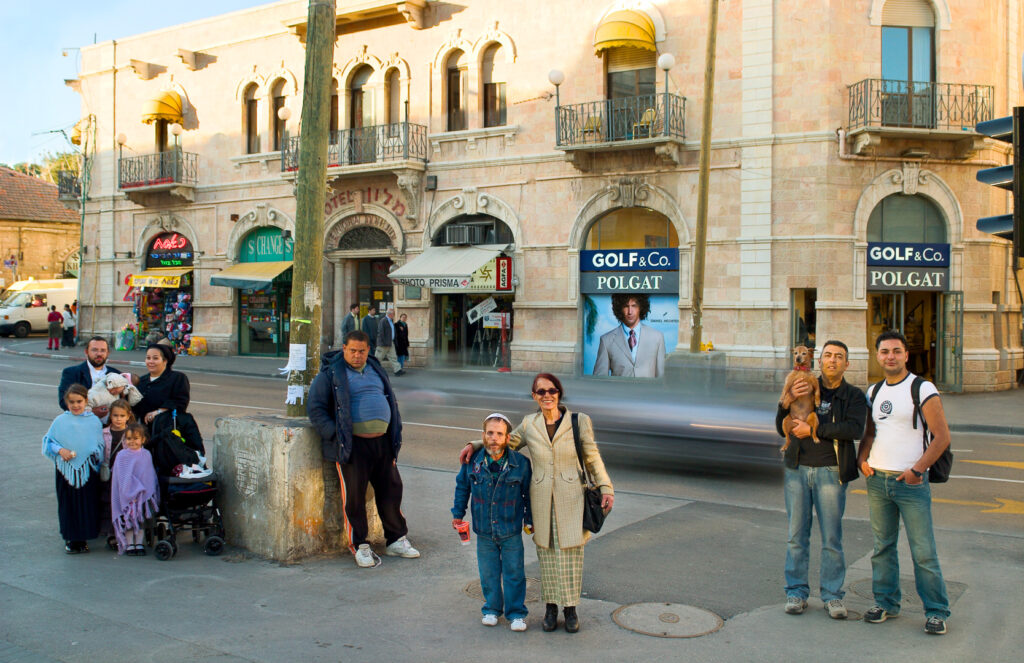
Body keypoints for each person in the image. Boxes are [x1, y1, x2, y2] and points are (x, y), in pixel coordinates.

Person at [459, 373, 614, 634]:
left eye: (551, 390)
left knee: (571, 554)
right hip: (541, 499)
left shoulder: (579, 421)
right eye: (541, 392)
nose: (547, 396)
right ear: (534, 396)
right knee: (547, 553)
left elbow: (592, 457)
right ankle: (551, 609)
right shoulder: (530, 423)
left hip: (572, 497)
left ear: (559, 393)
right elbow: (507, 441)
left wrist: (606, 487)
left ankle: (570, 610)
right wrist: (475, 444)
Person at [857, 330, 952, 635]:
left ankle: (936, 611)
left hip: (910, 483)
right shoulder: (874, 391)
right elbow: (870, 432)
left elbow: (942, 437)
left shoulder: (921, 388)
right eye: (885, 351)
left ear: (906, 355)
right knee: (882, 547)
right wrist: (862, 460)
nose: (890, 356)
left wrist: (917, 470)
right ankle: (886, 603)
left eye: (896, 351)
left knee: (923, 551)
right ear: (877, 356)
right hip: (877, 480)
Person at [307, 330, 420, 568]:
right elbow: (316, 409)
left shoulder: (376, 369)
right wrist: (337, 435)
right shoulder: (331, 374)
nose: (357, 355)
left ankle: (396, 540)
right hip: (352, 446)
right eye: (352, 351)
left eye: (361, 351)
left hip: (383, 443)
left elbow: (389, 399)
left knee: (391, 491)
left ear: (369, 350)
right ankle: (360, 545)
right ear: (344, 349)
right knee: (355, 498)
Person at [775, 340, 866, 619]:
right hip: (797, 469)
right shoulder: (804, 384)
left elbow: (854, 428)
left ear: (846, 364)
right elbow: (780, 425)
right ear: (819, 360)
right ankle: (796, 592)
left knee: (831, 538)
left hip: (831, 471)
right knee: (796, 537)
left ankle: (832, 595)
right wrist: (786, 400)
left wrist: (815, 430)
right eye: (828, 355)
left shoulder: (853, 395)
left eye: (839, 356)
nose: (832, 360)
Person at [452, 413, 533, 632]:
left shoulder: (520, 464)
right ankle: (491, 609)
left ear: (507, 438)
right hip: (484, 529)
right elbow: (462, 487)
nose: (494, 438)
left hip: (510, 529)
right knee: (488, 573)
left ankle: (516, 613)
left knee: (514, 573)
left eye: (499, 433)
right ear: (483, 436)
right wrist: (458, 513)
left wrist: (530, 519)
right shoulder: (473, 462)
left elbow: (528, 494)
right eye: (490, 433)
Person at [42, 384, 104, 554]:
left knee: (86, 504)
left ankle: (83, 539)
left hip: (88, 470)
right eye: (72, 402)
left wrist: (94, 453)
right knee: (68, 504)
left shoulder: (94, 421)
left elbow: (100, 444)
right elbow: (49, 442)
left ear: (86, 401)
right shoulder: (60, 421)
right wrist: (60, 450)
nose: (76, 405)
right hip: (65, 470)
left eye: (79, 401)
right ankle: (71, 539)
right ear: (66, 402)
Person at [111, 423, 160, 556]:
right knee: (128, 522)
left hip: (142, 496)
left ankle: (139, 543)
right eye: (129, 438)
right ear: (124, 439)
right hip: (126, 496)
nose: (132, 441)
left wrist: (140, 491)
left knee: (140, 521)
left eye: (136, 438)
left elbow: (148, 475)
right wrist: (130, 491)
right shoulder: (122, 455)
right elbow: (120, 477)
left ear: (143, 439)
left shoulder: (146, 455)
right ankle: (129, 545)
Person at [592, 294, 665, 378]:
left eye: (634, 306)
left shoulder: (657, 337)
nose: (630, 311)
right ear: (619, 309)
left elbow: (662, 377)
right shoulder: (606, 340)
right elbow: (599, 379)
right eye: (626, 306)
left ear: (641, 307)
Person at [98, 399, 135, 547]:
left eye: (122, 416)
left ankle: (124, 531)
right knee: (109, 504)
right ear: (110, 416)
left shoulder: (132, 433)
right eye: (115, 415)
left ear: (128, 416)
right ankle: (112, 533)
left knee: (123, 503)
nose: (118, 419)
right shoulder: (104, 433)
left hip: (124, 475)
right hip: (108, 475)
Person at [57, 337, 122, 416]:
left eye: (103, 350)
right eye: (94, 350)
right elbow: (63, 402)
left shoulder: (117, 374)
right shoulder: (71, 373)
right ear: (86, 352)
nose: (99, 354)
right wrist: (90, 412)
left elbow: (126, 403)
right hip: (81, 421)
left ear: (108, 353)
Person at [134, 344, 191, 425]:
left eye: (155, 358)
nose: (151, 361)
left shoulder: (177, 378)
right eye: (148, 358)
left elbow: (180, 402)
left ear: (165, 361)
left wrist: (159, 411)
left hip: (167, 427)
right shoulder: (141, 380)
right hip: (144, 429)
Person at [375, 309, 405, 376]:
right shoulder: (383, 321)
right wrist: (384, 342)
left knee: (393, 357)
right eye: (393, 314)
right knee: (378, 358)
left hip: (390, 342)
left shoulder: (391, 321)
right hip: (383, 343)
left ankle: (397, 370)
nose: (394, 315)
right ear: (390, 314)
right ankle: (373, 370)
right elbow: (380, 332)